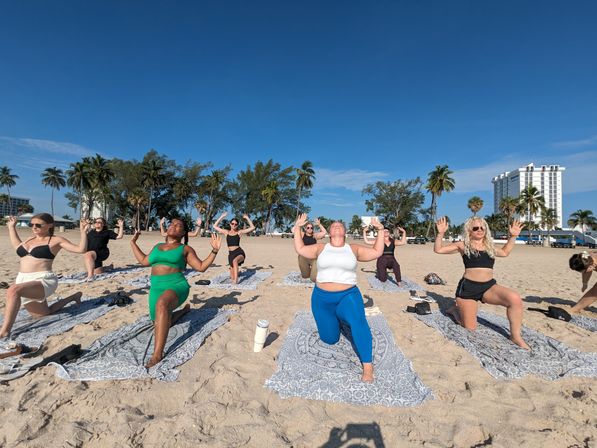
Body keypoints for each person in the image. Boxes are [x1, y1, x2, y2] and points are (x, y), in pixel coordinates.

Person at [293, 213, 385, 382]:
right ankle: (339, 322)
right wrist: (297, 227)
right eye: (333, 224)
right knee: (330, 339)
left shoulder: (353, 249)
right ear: (329, 232)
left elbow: (377, 251)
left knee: (358, 322)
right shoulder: (321, 248)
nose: (336, 225)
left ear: (345, 232)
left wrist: (380, 229)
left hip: (347, 296)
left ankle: (368, 367)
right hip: (321, 300)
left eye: (340, 225)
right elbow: (300, 249)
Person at [130, 218, 221, 368]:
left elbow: (201, 267)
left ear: (183, 232)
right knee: (158, 323)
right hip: (156, 287)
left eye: (178, 225)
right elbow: (144, 261)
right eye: (172, 224)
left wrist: (214, 251)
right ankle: (183, 311)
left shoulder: (185, 249)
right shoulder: (157, 246)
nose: (173, 226)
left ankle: (157, 354)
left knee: (162, 305)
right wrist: (133, 243)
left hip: (176, 285)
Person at [434, 216, 529, 349]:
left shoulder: (489, 246)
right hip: (468, 290)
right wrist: (440, 233)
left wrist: (513, 236)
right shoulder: (462, 245)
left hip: (488, 287)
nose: (479, 230)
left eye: (482, 227)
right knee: (470, 328)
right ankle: (455, 311)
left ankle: (515, 336)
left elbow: (505, 252)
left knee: (514, 299)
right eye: (475, 228)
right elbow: (438, 250)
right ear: (469, 231)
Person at [1, 214, 88, 339]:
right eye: (32, 224)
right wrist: (11, 228)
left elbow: (81, 249)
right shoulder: (29, 240)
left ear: (50, 225)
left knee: (12, 290)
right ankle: (73, 297)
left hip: (43, 280)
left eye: (38, 225)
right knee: (42, 314)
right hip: (23, 279)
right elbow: (16, 246)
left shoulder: (56, 240)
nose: (34, 227)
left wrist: (83, 232)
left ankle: (5, 331)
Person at [213, 212, 255, 284]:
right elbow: (214, 226)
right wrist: (221, 217)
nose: (234, 225)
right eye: (232, 223)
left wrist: (247, 218)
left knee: (235, 261)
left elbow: (252, 228)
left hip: (239, 252)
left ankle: (236, 281)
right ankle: (237, 273)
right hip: (231, 254)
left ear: (237, 225)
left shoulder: (239, 232)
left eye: (235, 224)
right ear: (230, 224)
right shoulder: (226, 232)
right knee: (231, 276)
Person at [297, 218, 328, 282]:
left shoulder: (315, 235)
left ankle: (314, 271)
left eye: (311, 228)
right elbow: (293, 230)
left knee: (313, 279)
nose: (310, 229)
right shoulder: (302, 234)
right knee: (305, 276)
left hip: (314, 258)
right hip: (303, 257)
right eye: (308, 228)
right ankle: (309, 271)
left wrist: (319, 224)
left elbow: (324, 232)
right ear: (305, 229)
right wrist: (298, 224)